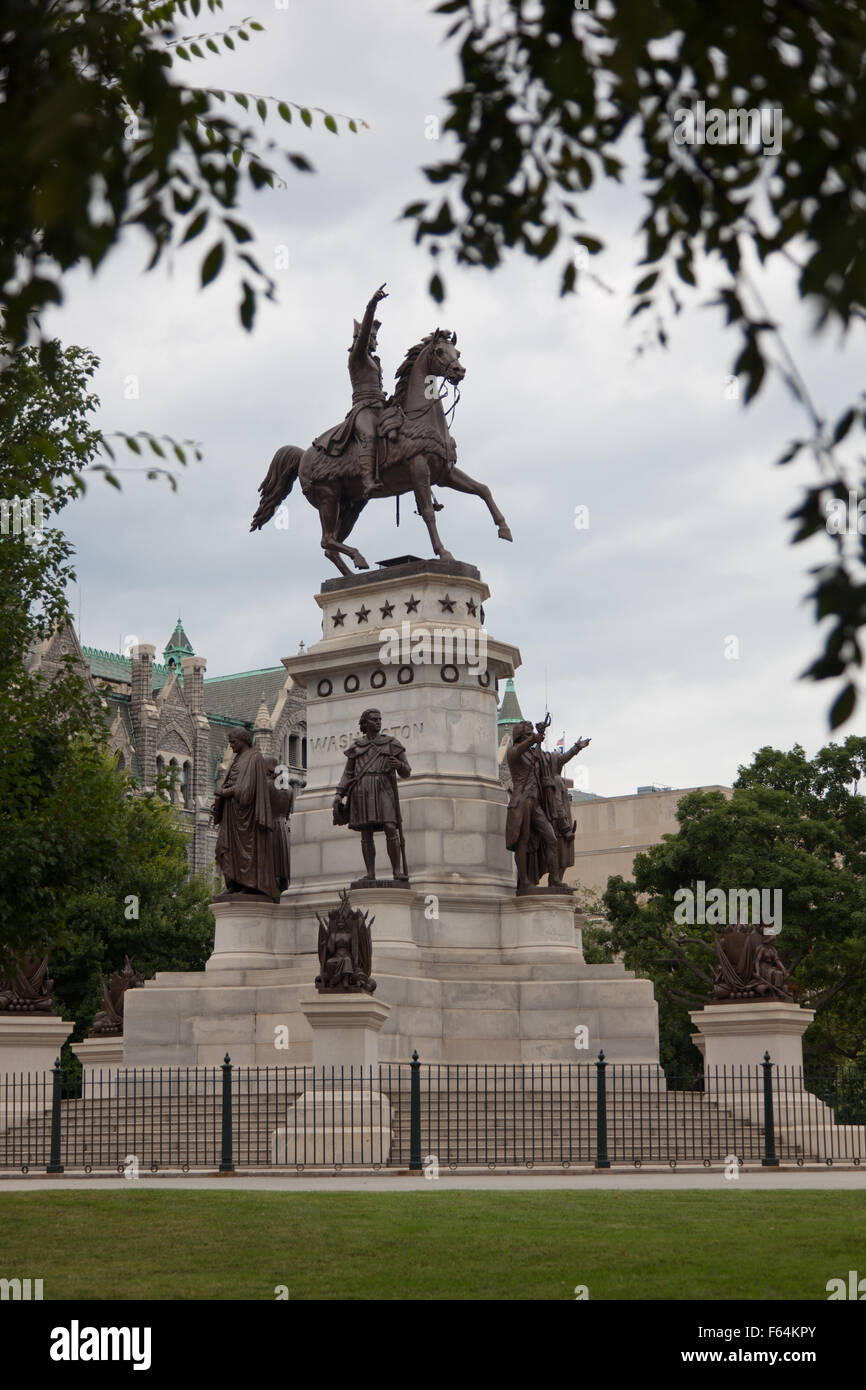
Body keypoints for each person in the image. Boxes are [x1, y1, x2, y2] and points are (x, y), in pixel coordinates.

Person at [313, 283, 391, 499]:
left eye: (375, 338)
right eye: (372, 337)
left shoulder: (375, 362)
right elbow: (365, 332)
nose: (375, 341)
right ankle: (367, 481)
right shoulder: (357, 357)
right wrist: (371, 306)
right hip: (363, 410)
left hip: (378, 406)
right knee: (369, 434)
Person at [333, 708, 410, 883]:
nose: (378, 722)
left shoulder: (391, 743)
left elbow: (407, 772)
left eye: (379, 719)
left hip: (384, 788)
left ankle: (397, 872)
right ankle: (370, 874)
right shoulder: (356, 747)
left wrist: (398, 764)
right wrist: (339, 794)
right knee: (365, 832)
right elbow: (348, 774)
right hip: (362, 790)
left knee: (390, 827)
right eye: (374, 719)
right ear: (365, 723)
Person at [212, 728, 276, 900]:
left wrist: (223, 793)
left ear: (243, 740)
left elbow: (246, 791)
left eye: (233, 742)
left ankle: (249, 885)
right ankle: (233, 884)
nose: (231, 745)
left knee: (247, 852)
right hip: (231, 814)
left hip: (246, 818)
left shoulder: (254, 758)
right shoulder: (237, 759)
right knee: (224, 848)